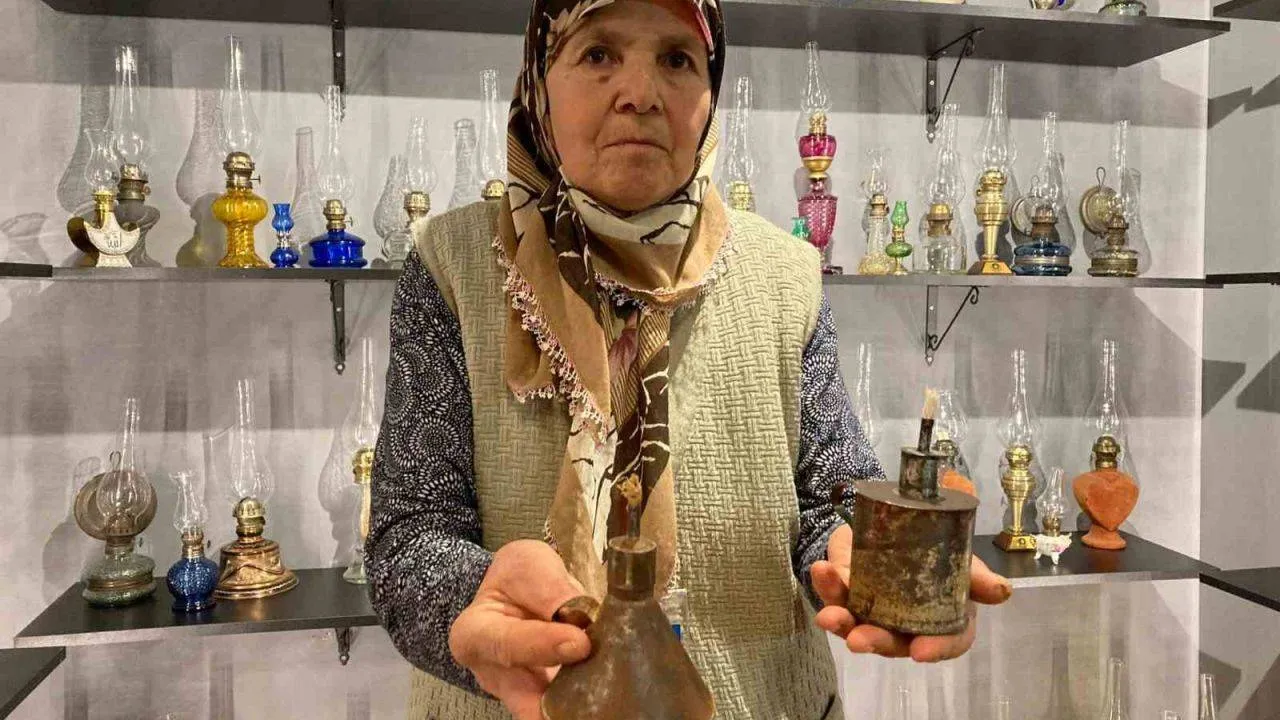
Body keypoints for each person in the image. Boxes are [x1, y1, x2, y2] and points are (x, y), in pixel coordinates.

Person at [366, 1, 1012, 718]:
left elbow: (828, 493)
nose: (639, 93)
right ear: (540, 79)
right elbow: (407, 536)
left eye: (677, 59)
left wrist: (874, 561)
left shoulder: (785, 275)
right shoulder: (452, 266)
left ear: (711, 90)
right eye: (599, 54)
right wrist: (470, 598)